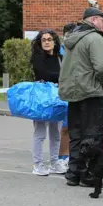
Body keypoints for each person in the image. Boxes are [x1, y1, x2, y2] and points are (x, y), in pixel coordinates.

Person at [58, 7, 103, 188]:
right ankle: (88, 176)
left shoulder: (70, 39)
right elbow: (101, 68)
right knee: (92, 135)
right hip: (91, 92)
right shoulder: (94, 38)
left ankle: (73, 173)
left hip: (73, 93)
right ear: (94, 20)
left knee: (76, 134)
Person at [30, 29, 67, 176]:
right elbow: (43, 74)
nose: (46, 42)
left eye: (49, 39)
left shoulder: (60, 57)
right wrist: (62, 76)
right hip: (41, 98)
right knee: (40, 133)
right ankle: (37, 164)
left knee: (56, 133)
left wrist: (61, 77)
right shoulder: (37, 57)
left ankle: (54, 163)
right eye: (43, 39)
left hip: (57, 97)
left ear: (54, 42)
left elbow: (60, 75)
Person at [58, 22, 77, 169]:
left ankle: (71, 155)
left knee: (72, 126)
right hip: (62, 91)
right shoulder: (60, 51)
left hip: (75, 90)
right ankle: (62, 156)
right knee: (64, 128)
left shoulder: (78, 49)